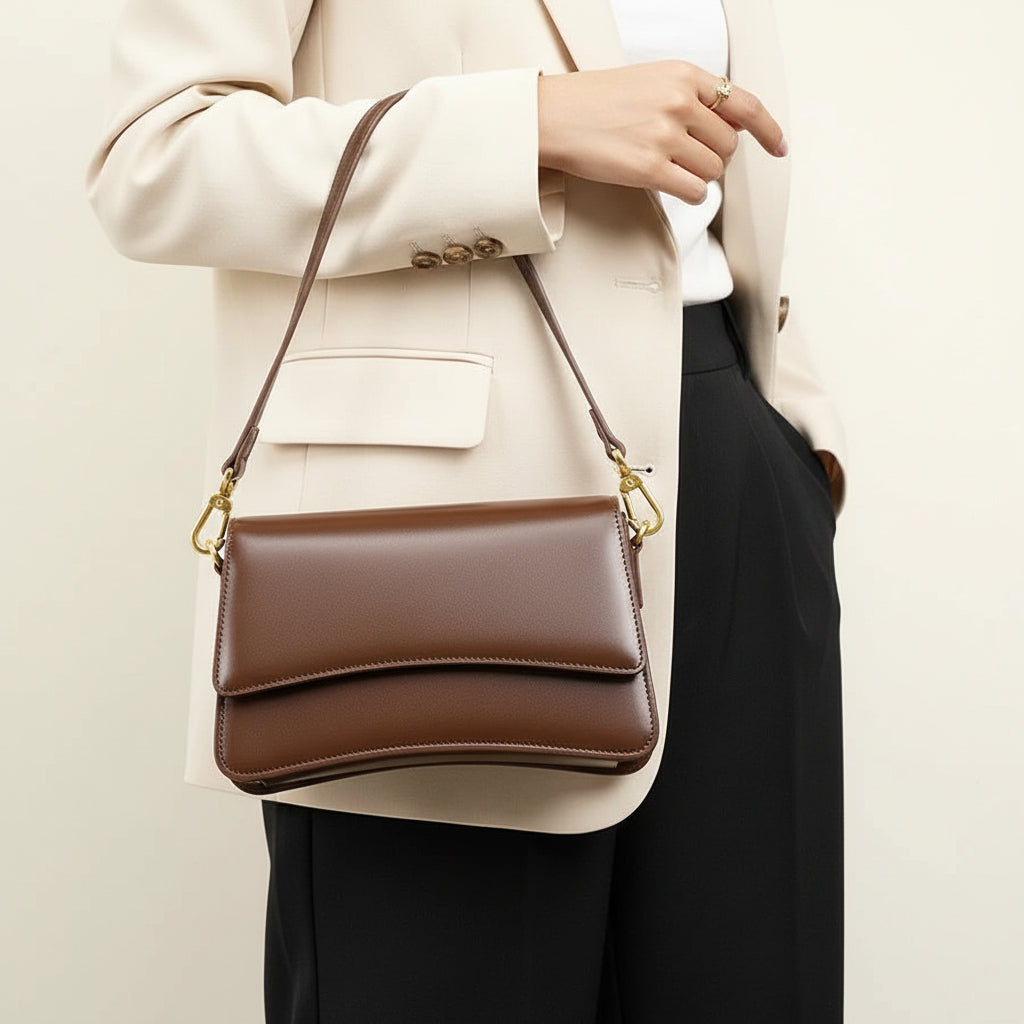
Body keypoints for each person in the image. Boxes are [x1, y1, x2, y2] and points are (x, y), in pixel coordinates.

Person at [86, 0, 848, 1019]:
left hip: (731, 474)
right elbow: (154, 159)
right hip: (436, 536)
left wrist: (795, 437)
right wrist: (525, 126)